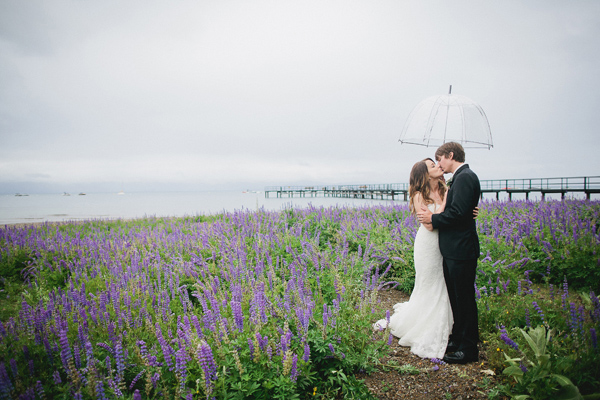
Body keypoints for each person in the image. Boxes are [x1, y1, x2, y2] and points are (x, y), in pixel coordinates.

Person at [373, 157, 453, 359]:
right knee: (428, 282)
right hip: (427, 245)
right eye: (431, 166)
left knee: (442, 283)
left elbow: (454, 214)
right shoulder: (419, 195)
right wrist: (443, 204)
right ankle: (426, 323)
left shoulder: (445, 190)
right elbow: (429, 225)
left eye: (436, 164)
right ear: (423, 174)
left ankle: (447, 322)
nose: (437, 166)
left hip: (444, 243)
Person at [417, 142, 481, 364]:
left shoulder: (465, 177)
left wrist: (433, 219)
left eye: (440, 159)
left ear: (450, 155)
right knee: (457, 299)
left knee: (464, 300)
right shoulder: (460, 178)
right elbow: (462, 210)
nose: (440, 164)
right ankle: (459, 339)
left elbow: (458, 214)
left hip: (461, 250)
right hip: (454, 249)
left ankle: (469, 348)